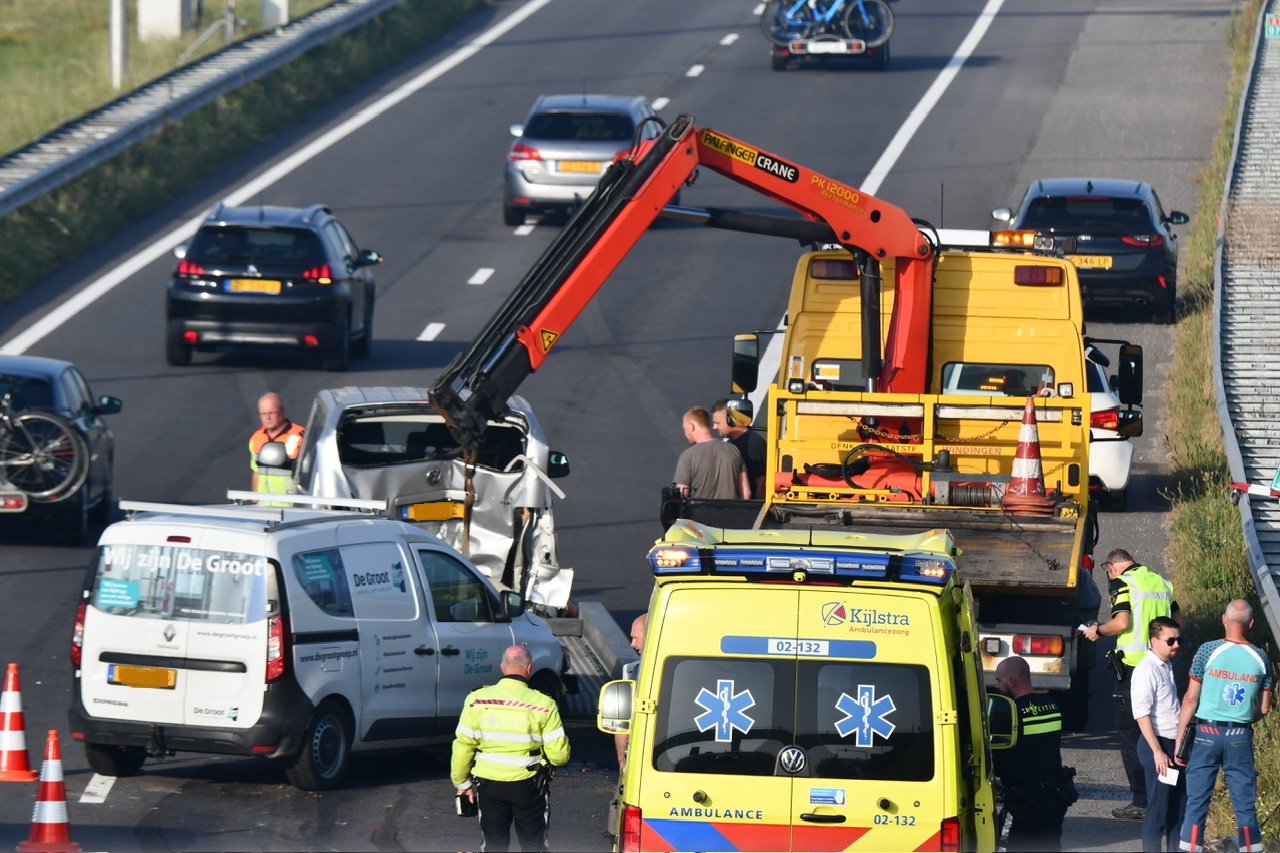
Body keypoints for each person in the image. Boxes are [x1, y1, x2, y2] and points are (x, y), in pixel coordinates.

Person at [1082, 548, 1179, 821]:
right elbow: (1178, 623)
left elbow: (1121, 621)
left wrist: (1098, 630)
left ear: (1112, 566)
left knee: (1130, 735)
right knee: (1161, 730)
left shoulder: (1122, 582)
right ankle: (1165, 795)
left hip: (1133, 670)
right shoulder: (1161, 582)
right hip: (1160, 665)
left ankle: (1142, 800)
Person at [452, 645, 571, 853]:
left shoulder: (476, 700)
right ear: (529, 668)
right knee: (533, 844)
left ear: (502, 667)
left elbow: (463, 745)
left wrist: (462, 783)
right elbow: (559, 756)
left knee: (493, 844)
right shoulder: (544, 704)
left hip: (489, 784)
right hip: (530, 785)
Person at [1177, 600, 1274, 853]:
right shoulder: (1261, 658)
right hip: (1240, 735)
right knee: (1244, 806)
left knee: (1196, 803)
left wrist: (1180, 741)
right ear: (1251, 624)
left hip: (1206, 733)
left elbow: (1190, 699)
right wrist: (1242, 720)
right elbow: (1264, 708)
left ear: (1223, 619)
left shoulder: (1208, 650)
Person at [992, 655, 1072, 852]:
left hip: (1027, 799)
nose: (998, 686)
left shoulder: (1012, 713)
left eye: (999, 680)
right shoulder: (1052, 706)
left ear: (1011, 680)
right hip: (1055, 794)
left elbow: (1002, 759)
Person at [1132, 615, 1186, 852]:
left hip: (1174, 746)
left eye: (1178, 640)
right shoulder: (1146, 670)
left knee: (1178, 808)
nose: (1176, 645)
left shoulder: (1166, 666)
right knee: (1159, 810)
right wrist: (1157, 751)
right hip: (1159, 746)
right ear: (1154, 641)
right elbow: (1142, 714)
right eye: (1171, 640)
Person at [672, 406, 750, 500]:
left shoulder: (688, 456)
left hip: (699, 513)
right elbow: (746, 492)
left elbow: (682, 494)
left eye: (685, 428)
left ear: (692, 426)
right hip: (731, 513)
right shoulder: (733, 450)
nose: (685, 433)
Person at [249, 392, 305, 494]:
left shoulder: (300, 436)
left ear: (282, 412)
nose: (268, 418)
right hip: (264, 504)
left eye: (271, 413)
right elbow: (256, 471)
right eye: (264, 414)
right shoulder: (256, 438)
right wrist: (255, 498)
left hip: (289, 504)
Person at [712, 398, 766, 499]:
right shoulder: (730, 444)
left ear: (730, 420)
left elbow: (761, 482)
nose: (714, 427)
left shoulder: (753, 443)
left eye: (717, 423)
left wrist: (758, 509)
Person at [615, 613, 646, 768]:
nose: (632, 644)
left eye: (635, 638)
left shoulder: (643, 671)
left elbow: (625, 720)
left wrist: (622, 761)